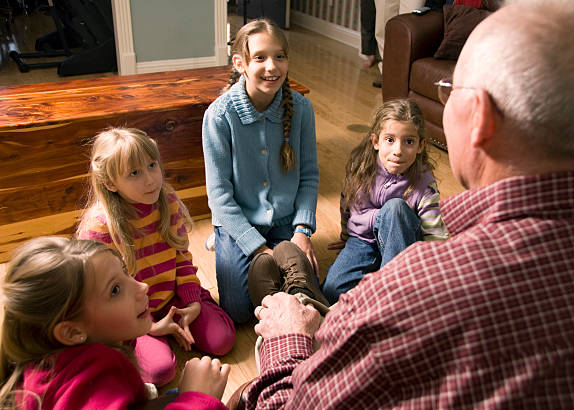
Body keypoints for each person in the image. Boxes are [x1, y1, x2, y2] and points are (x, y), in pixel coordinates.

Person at [245, 0, 574, 407]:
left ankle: (298, 301)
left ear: (479, 119)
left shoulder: (414, 291)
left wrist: (288, 340)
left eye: (449, 91)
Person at [77, 128, 235, 387]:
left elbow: (182, 256)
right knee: (161, 371)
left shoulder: (167, 201)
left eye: (152, 165)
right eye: (134, 173)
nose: (150, 180)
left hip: (173, 296)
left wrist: (192, 302)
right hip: (130, 312)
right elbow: (104, 295)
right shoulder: (99, 228)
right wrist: (149, 326)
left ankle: (182, 322)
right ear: (110, 183)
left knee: (223, 341)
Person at [0, 237, 230, 410]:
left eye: (125, 273)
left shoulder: (59, 355)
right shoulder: (93, 389)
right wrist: (197, 398)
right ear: (72, 331)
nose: (142, 287)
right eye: (115, 290)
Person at [202, 19, 323, 324]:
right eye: (260, 57)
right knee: (241, 312)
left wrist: (302, 232)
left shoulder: (302, 108)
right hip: (239, 222)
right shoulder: (219, 116)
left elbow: (308, 176)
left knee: (304, 294)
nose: (272, 66)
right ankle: (222, 239)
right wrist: (257, 248)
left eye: (279, 56)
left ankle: (282, 255)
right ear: (240, 63)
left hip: (284, 222)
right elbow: (219, 195)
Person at [323, 99, 448, 304]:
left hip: (404, 245)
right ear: (376, 141)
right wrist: (345, 236)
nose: (398, 150)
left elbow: (435, 235)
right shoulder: (360, 166)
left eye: (409, 142)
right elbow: (347, 202)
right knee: (331, 291)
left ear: (420, 146)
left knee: (395, 208)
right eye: (390, 140)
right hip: (362, 240)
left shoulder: (424, 182)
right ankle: (376, 283)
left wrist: (436, 274)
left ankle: (391, 293)